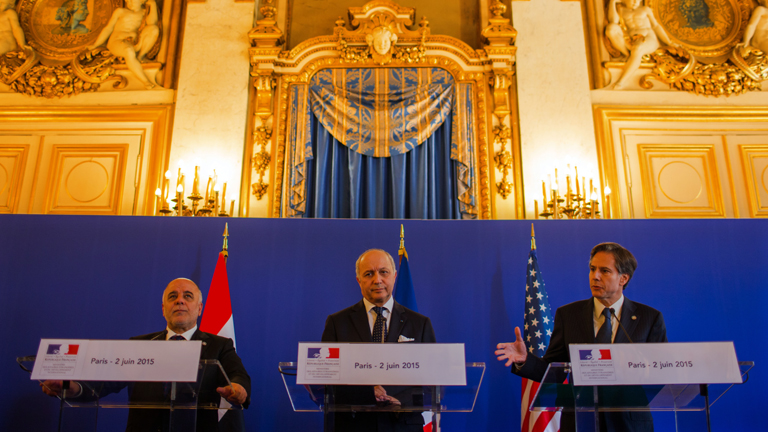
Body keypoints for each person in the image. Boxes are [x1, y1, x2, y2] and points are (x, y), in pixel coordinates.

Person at [496, 242, 667, 432]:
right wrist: (525, 360)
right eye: (592, 269)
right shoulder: (569, 315)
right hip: (579, 422)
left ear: (623, 278)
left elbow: (660, 373)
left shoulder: (649, 318)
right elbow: (554, 371)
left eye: (604, 271)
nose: (595, 276)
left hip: (629, 424)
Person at [41, 278, 251, 432]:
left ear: (199, 308)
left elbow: (239, 375)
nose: (180, 301)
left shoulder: (219, 345)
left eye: (188, 296)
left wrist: (238, 389)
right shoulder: (139, 345)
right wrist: (71, 386)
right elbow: (103, 382)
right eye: (173, 297)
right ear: (163, 308)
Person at [321, 249, 436, 432]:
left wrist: (400, 401)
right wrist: (366, 394)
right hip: (353, 426)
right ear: (359, 280)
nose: (377, 280)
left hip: (403, 424)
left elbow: (433, 382)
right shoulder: (337, 323)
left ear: (395, 276)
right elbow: (326, 381)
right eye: (369, 274)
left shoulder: (420, 324)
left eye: (384, 272)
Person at [604, 0, 679, 89]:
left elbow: (656, 26)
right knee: (611, 29)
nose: (635, 2)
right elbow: (613, 21)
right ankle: (629, 56)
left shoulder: (645, 9)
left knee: (637, 48)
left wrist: (668, 42)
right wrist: (612, 2)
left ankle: (621, 81)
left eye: (638, 0)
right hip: (630, 39)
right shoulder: (621, 10)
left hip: (648, 37)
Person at [87, 0, 159, 89]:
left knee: (153, 29)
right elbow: (108, 28)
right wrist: (96, 44)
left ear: (141, 1)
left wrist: (153, 4)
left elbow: (152, 23)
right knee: (128, 51)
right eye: (128, 1)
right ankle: (145, 81)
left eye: (133, 1)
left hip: (134, 42)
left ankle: (141, 57)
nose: (130, 3)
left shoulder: (143, 12)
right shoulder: (120, 11)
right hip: (116, 41)